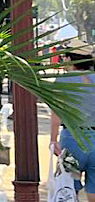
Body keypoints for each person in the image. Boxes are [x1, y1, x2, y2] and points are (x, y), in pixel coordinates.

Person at [51, 42, 95, 200]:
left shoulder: (63, 81)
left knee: (70, 186)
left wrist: (53, 139)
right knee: (93, 189)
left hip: (71, 140)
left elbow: (56, 112)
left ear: (70, 59)